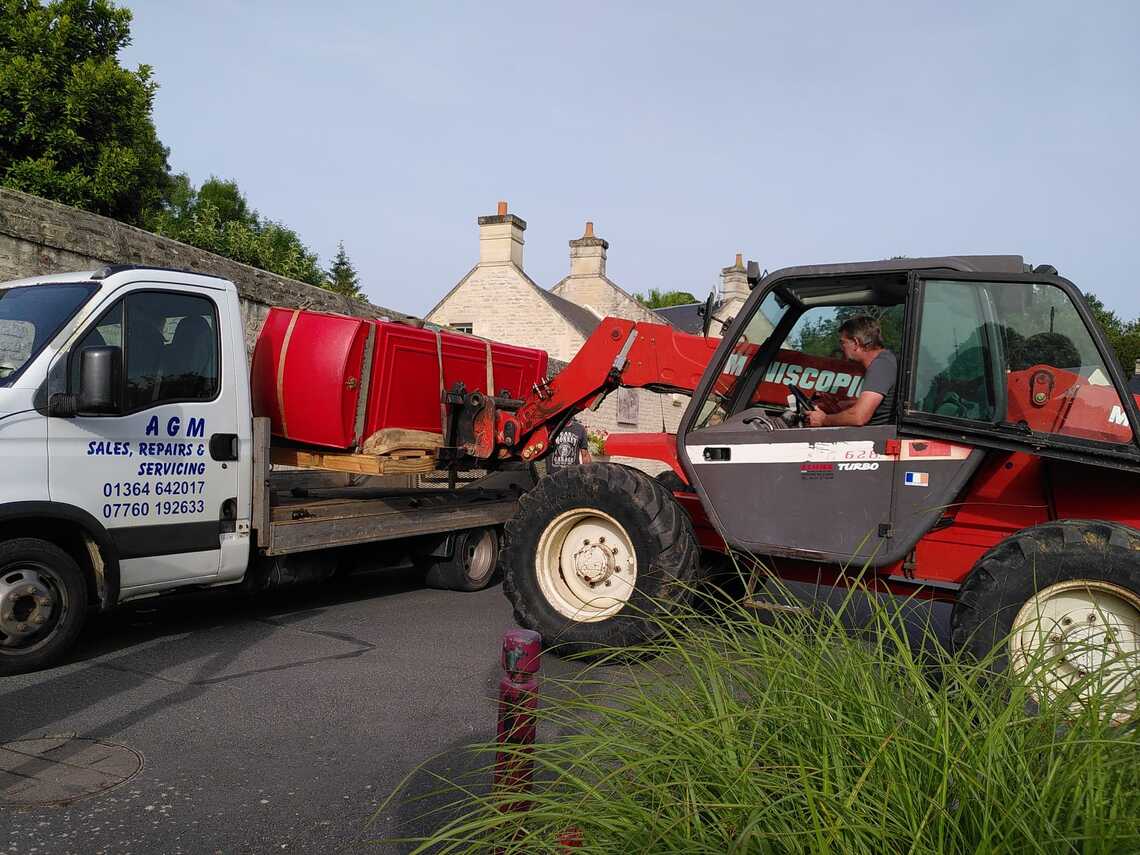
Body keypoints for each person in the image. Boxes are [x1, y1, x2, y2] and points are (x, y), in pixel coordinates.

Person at [806, 315, 897, 427]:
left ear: (856, 342)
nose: (841, 347)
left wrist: (823, 420)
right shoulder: (884, 360)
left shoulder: (881, 365)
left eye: (843, 342)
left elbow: (858, 417)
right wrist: (849, 405)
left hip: (872, 437)